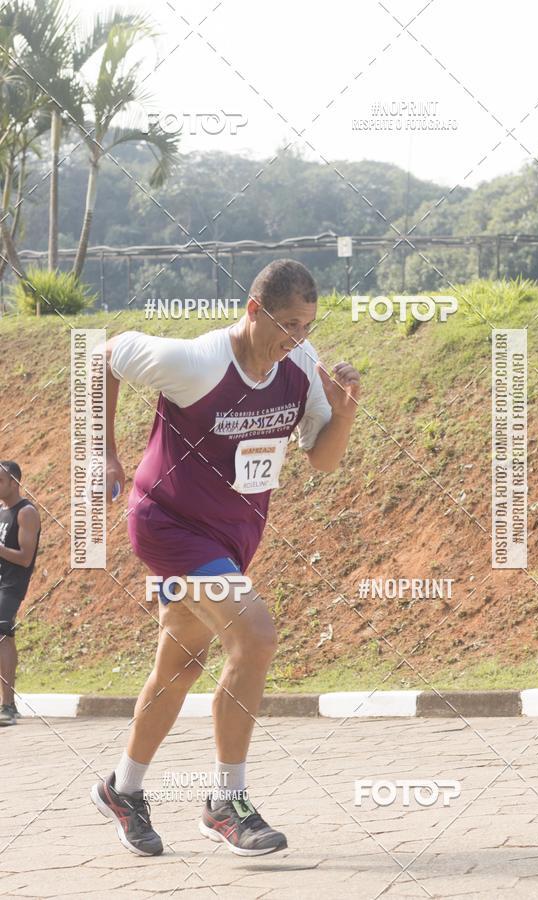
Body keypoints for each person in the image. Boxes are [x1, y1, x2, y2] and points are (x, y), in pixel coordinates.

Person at [91, 259, 360, 856]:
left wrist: (342, 413)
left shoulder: (299, 371)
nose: (297, 339)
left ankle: (122, 788)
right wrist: (105, 453)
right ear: (254, 310)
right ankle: (225, 801)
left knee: (181, 666)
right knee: (256, 637)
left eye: (308, 327)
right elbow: (104, 354)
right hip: (168, 526)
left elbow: (324, 459)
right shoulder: (195, 362)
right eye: (287, 324)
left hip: (232, 539)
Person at [0, 460, 42, 726]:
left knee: (2, 632)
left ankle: (8, 706)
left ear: (14, 482)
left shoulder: (26, 512)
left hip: (11, 585)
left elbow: (25, 558)